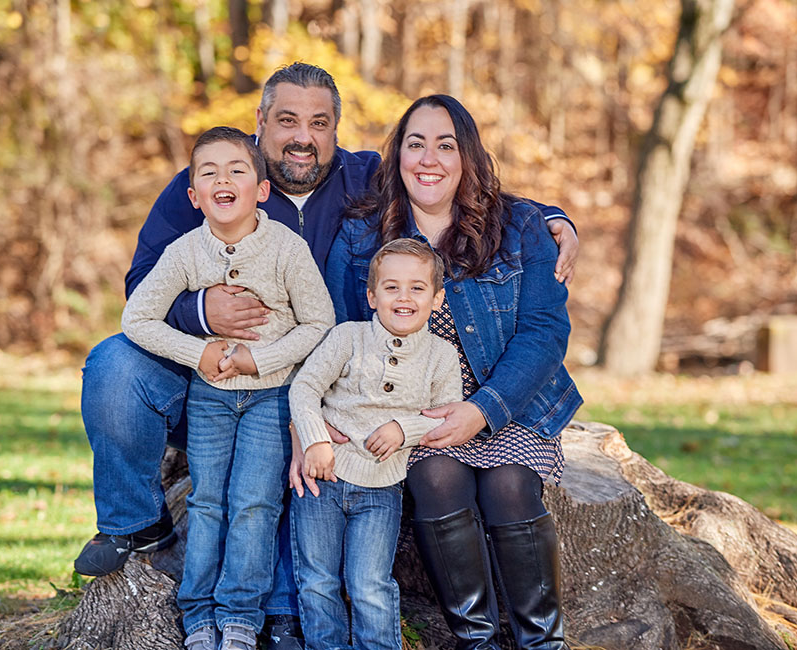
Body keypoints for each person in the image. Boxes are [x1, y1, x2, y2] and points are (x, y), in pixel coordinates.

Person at [76, 61, 579, 648]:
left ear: (337, 129)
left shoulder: (365, 178)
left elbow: (458, 188)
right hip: (206, 372)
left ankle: (292, 615)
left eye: (319, 123)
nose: (302, 136)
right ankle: (136, 528)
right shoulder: (215, 180)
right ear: (260, 123)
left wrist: (554, 218)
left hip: (357, 383)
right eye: (286, 120)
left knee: (325, 440)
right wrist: (202, 313)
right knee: (113, 366)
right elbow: (142, 289)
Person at [324, 94, 583, 650]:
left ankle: (543, 641)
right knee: (437, 479)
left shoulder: (521, 226)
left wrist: (483, 409)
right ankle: (479, 640)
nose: (429, 159)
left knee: (510, 487)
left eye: (446, 145)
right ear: (396, 157)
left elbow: (544, 331)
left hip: (509, 401)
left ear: (467, 157)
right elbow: (344, 332)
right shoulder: (362, 234)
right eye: (415, 144)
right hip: (414, 410)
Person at [121, 126, 334, 650]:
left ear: (261, 190)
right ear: (193, 196)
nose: (224, 179)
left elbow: (320, 324)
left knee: (255, 503)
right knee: (209, 501)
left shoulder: (287, 248)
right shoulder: (184, 252)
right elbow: (136, 318)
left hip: (271, 396)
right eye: (209, 172)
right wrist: (203, 352)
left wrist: (257, 358)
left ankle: (240, 617)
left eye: (237, 170)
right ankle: (198, 616)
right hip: (210, 398)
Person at [288, 238, 462, 650]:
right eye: (391, 287)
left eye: (417, 288)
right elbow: (306, 387)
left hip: (381, 488)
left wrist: (405, 429)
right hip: (321, 479)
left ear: (437, 299)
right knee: (317, 580)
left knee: (369, 583)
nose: (404, 297)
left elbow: (446, 413)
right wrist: (314, 440)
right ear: (372, 296)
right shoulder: (347, 337)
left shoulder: (442, 355)